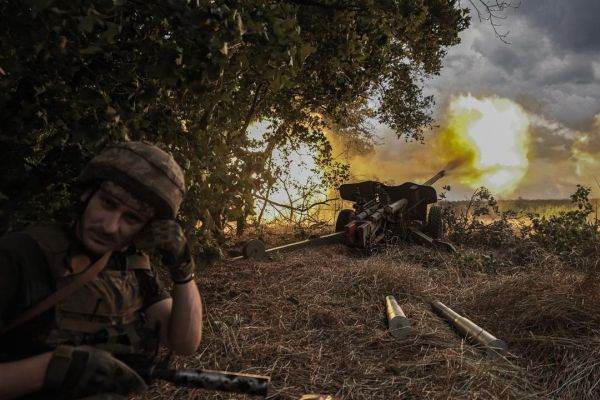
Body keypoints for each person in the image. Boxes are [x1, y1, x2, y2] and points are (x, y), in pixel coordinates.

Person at [0, 141, 203, 399]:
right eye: (108, 203)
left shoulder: (132, 264)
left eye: (131, 218)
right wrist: (50, 369)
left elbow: (184, 343)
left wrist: (182, 269)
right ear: (87, 195)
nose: (110, 226)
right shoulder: (21, 255)